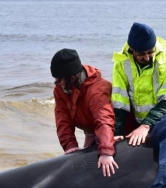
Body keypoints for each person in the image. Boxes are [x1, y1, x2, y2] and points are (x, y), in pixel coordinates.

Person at [111, 22, 166, 146]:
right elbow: (119, 100)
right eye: (141, 54)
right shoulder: (121, 62)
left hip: (165, 121)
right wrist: (118, 131)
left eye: (150, 52)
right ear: (132, 50)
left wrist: (146, 125)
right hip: (138, 120)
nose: (147, 57)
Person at [50, 48, 118, 177]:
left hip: (113, 129)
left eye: (60, 79)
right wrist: (70, 146)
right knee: (81, 164)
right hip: (91, 130)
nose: (57, 84)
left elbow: (104, 119)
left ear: (72, 76)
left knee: (105, 163)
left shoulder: (96, 89)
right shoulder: (60, 89)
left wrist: (106, 152)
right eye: (56, 79)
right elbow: (62, 120)